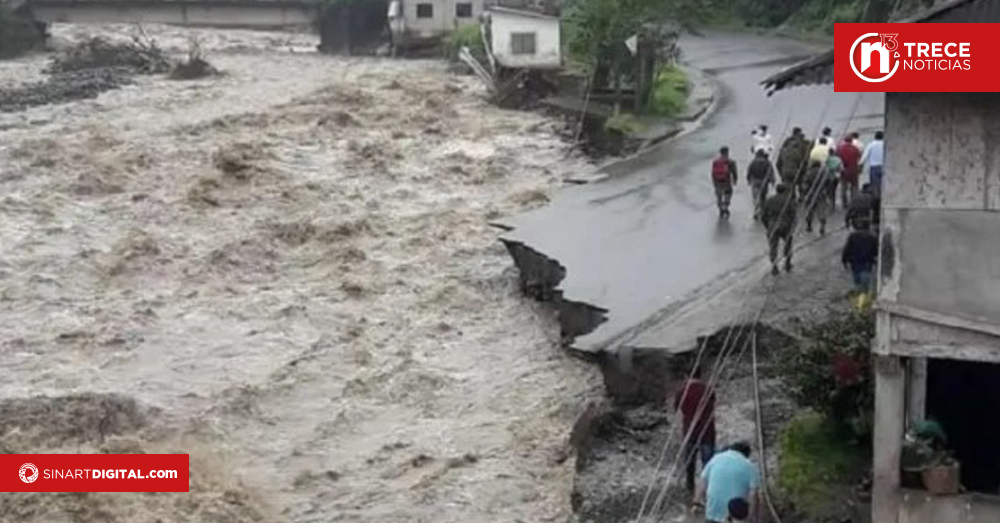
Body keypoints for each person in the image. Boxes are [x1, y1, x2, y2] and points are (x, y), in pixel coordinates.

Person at [694, 442, 761, 523]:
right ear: (746, 454)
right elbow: (753, 495)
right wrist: (752, 517)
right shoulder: (750, 466)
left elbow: (702, 482)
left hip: (712, 511)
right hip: (735, 514)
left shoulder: (715, 459)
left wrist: (696, 503)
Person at [674, 366, 717, 492]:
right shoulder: (708, 390)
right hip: (707, 431)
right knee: (707, 463)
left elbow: (677, 410)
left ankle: (690, 486)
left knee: (689, 461)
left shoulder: (682, 392)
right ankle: (707, 488)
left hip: (690, 431)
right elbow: (712, 406)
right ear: (700, 375)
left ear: (687, 375)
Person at [762, 183, 796, 275]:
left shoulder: (769, 200)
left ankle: (774, 266)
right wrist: (793, 225)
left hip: (773, 223)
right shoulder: (788, 200)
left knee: (773, 246)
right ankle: (787, 262)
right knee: (788, 242)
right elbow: (793, 214)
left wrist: (767, 226)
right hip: (785, 224)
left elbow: (763, 215)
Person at [842, 219, 879, 295]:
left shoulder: (853, 236)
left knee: (857, 278)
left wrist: (844, 260)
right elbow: (876, 250)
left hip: (855, 261)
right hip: (867, 262)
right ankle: (862, 296)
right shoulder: (873, 237)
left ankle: (859, 292)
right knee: (865, 281)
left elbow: (847, 248)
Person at [800, 159, 831, 235]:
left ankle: (809, 226)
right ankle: (822, 226)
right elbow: (829, 182)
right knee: (821, 211)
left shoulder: (809, 173)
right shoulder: (823, 173)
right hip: (821, 194)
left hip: (811, 194)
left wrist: (804, 194)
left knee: (809, 211)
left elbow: (804, 185)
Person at [746, 149, 775, 221]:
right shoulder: (767, 162)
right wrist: (772, 181)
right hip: (764, 182)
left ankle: (756, 211)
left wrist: (749, 180)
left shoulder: (753, 162)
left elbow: (749, 171)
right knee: (763, 197)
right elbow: (770, 172)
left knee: (756, 197)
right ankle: (762, 211)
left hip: (755, 181)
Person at [712, 146, 738, 219]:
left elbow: (713, 173)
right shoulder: (731, 162)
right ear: (727, 152)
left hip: (718, 183)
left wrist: (714, 183)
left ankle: (720, 208)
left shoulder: (715, 162)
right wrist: (735, 180)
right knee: (728, 193)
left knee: (719, 196)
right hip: (726, 182)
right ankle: (726, 206)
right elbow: (734, 172)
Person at [836, 136, 862, 209]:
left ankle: (845, 204)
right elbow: (859, 157)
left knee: (844, 187)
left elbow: (837, 157)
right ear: (851, 141)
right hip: (854, 169)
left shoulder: (840, 148)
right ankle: (854, 202)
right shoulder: (855, 148)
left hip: (844, 169)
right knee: (854, 187)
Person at [861, 131, 885, 197]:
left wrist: (860, 164)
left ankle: (876, 199)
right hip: (884, 167)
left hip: (874, 167)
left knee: (875, 185)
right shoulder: (886, 144)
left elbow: (864, 156)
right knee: (884, 184)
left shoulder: (871, 145)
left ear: (875, 137)